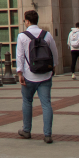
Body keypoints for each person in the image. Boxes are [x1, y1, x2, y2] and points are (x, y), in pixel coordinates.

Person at [15, 9, 58, 144]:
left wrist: (20, 73)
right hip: (45, 75)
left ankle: (27, 130)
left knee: (27, 101)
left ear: (27, 21)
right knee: (46, 104)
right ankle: (47, 134)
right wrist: (53, 67)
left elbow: (20, 56)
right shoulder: (47, 35)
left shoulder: (22, 36)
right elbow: (54, 53)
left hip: (29, 75)